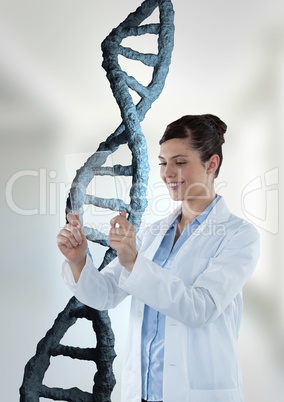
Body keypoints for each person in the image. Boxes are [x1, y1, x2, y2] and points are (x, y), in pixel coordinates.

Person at [57, 114, 260, 402]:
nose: (167, 173)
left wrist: (133, 261)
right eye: (163, 163)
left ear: (211, 164)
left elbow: (200, 308)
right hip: (143, 392)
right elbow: (105, 295)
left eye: (180, 162)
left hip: (197, 393)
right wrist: (78, 260)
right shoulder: (155, 233)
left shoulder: (239, 236)